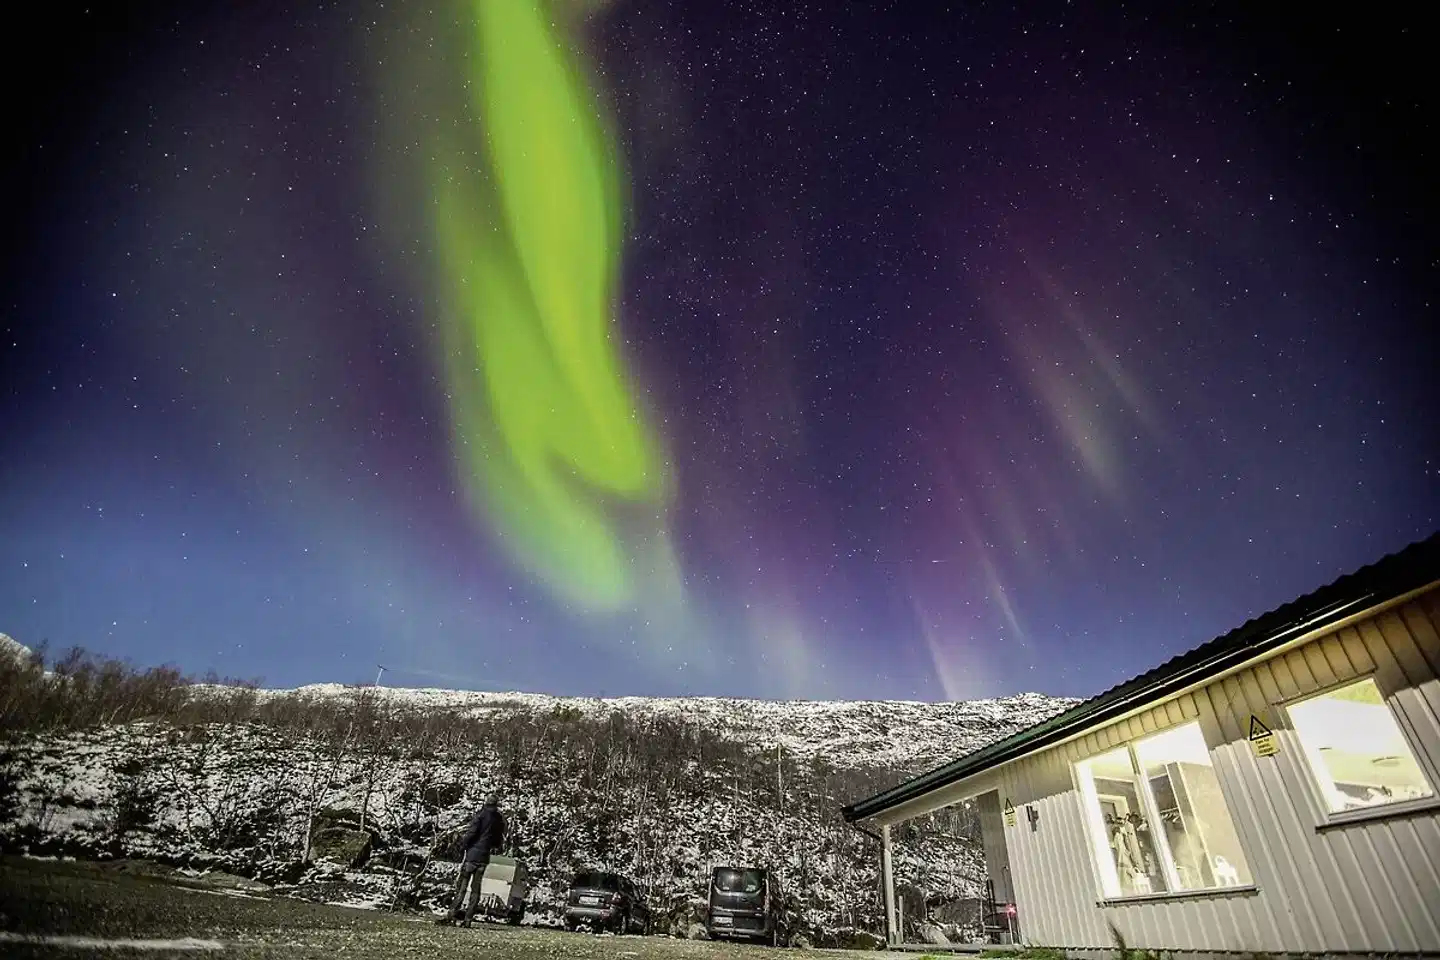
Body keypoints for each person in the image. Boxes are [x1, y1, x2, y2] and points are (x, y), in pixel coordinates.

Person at [439, 790, 506, 927]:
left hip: (472, 855)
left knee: (462, 887)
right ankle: (468, 920)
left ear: (486, 803)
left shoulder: (480, 816)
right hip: (484, 857)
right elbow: (498, 840)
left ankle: (452, 915)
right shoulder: (499, 819)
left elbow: (472, 833)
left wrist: (463, 845)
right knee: (476, 890)